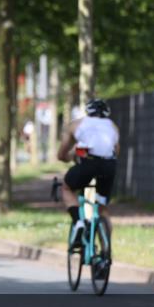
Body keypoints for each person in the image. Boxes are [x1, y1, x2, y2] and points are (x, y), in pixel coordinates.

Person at [57, 98, 120, 243]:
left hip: (88, 164)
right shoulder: (113, 126)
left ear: (87, 112)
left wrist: (70, 157)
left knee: (67, 188)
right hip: (109, 165)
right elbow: (116, 152)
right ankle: (106, 251)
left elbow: (61, 155)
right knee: (102, 208)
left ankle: (79, 222)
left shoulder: (76, 124)